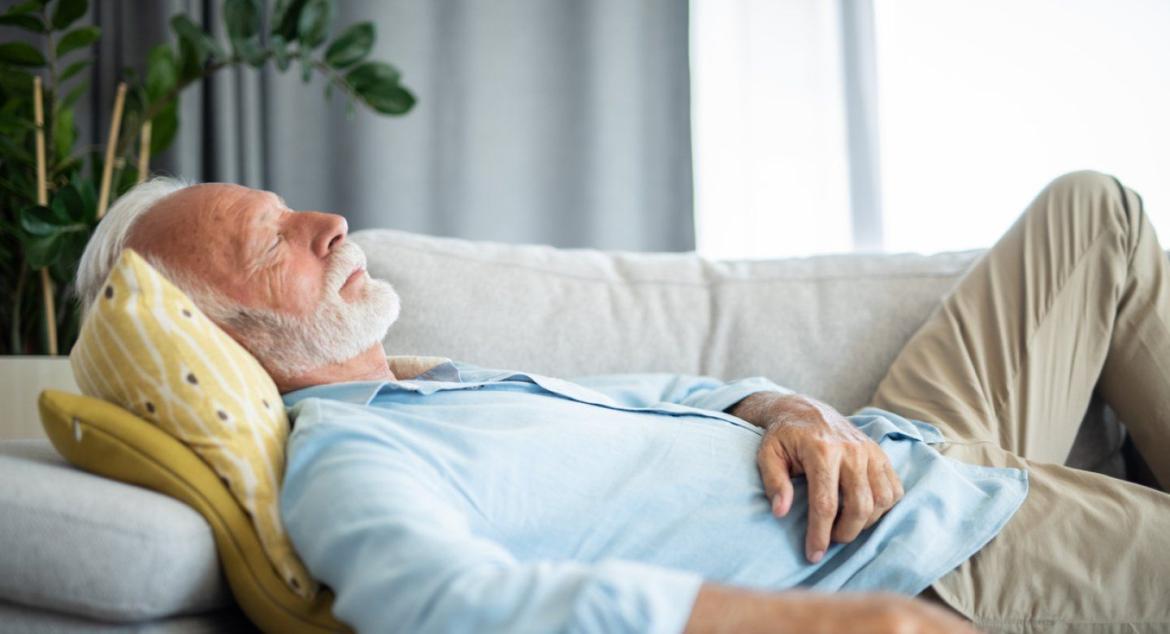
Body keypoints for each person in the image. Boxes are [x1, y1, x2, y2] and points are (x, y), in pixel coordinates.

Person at [74, 171, 1170, 633]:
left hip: (892, 441)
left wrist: (786, 407)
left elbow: (683, 394)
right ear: (219, 340)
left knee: (1096, 215)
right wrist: (829, 623)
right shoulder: (351, 462)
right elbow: (452, 604)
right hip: (923, 543)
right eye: (277, 243)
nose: (327, 225)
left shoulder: (447, 384)